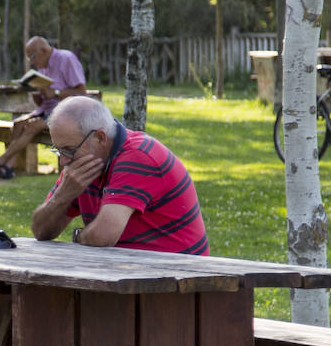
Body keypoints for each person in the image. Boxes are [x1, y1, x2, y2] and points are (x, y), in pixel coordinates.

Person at [31, 95, 209, 254]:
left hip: (182, 277)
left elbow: (102, 237)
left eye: (69, 150)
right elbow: (40, 231)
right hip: (134, 270)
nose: (63, 161)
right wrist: (62, 195)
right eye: (58, 150)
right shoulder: (82, 164)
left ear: (100, 138)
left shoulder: (138, 156)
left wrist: (79, 236)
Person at [0, 35, 88, 179]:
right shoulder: (42, 68)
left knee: (32, 127)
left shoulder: (66, 59)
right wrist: (38, 95)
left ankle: (0, 161)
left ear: (44, 50)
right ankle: (7, 168)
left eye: (33, 57)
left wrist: (55, 92)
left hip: (66, 112)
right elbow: (43, 102)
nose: (32, 62)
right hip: (47, 111)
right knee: (18, 124)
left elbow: (81, 92)